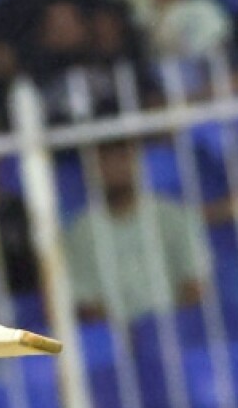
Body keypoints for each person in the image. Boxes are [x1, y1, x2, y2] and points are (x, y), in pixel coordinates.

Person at [66, 138, 209, 324]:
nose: (115, 168)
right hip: (112, 333)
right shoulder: (80, 231)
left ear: (138, 163)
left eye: (122, 157)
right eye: (105, 161)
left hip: (178, 328)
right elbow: (84, 301)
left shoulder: (173, 216)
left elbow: (195, 284)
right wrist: (123, 332)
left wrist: (167, 326)